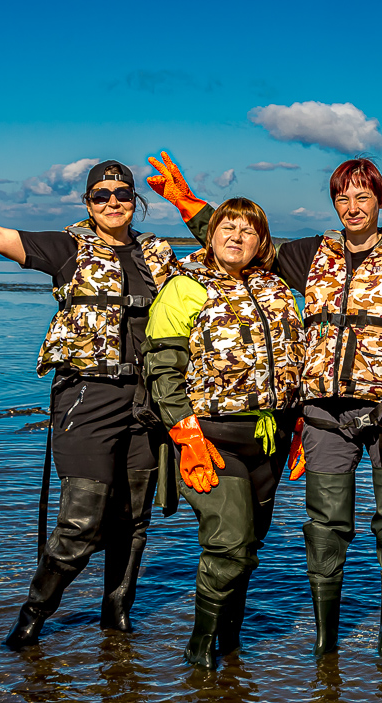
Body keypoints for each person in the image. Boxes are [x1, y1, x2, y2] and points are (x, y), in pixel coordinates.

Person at [148, 155, 382, 658]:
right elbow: (240, 243)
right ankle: (326, 643)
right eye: (342, 197)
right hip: (324, 412)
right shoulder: (309, 254)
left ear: (379, 200)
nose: (352, 206)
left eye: (362, 196)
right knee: (325, 524)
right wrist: (188, 203)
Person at [0, 159, 178, 649]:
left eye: (122, 194)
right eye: (101, 195)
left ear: (135, 201)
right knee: (82, 522)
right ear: (87, 202)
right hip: (87, 395)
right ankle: (33, 617)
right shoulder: (67, 247)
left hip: (146, 400)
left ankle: (116, 614)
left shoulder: (159, 255)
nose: (112, 202)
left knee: (134, 518)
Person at [143, 197, 302, 669]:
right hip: (211, 437)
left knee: (249, 547)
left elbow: (299, 360)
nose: (237, 237)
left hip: (271, 440)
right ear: (210, 235)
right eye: (227, 227)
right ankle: (200, 648)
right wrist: (185, 433)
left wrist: (300, 427)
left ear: (262, 242)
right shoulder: (184, 286)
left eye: (248, 231)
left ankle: (229, 644)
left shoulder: (276, 288)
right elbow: (162, 370)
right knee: (229, 542)